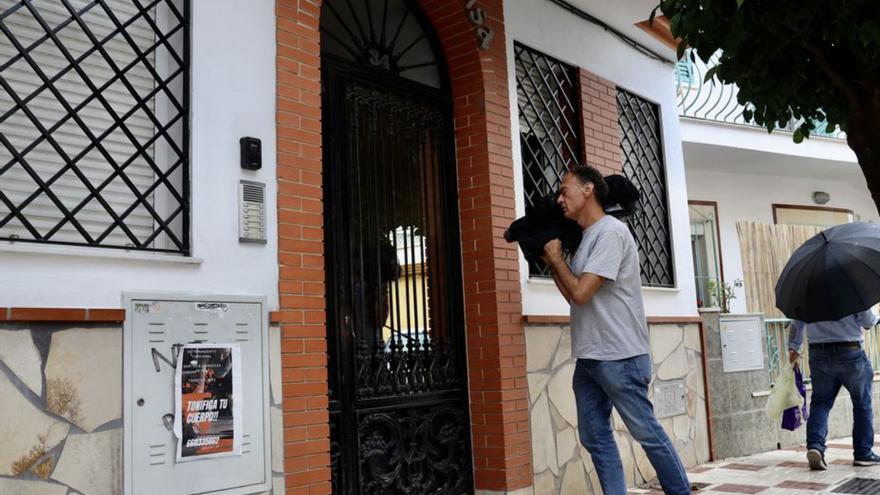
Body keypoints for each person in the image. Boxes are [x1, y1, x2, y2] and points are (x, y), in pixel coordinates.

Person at [542, 165, 690, 495]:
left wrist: (557, 260)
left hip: (619, 357)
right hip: (591, 357)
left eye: (565, 190)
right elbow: (575, 297)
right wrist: (555, 263)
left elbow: (581, 292)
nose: (559, 198)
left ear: (588, 190)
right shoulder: (587, 238)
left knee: (647, 434)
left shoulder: (611, 233)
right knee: (595, 437)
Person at [787, 308, 880, 470]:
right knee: (862, 404)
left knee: (820, 403)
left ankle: (816, 446)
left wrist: (793, 347)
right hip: (850, 352)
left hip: (819, 353)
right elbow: (868, 321)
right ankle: (863, 453)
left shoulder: (807, 292)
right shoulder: (851, 287)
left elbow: (796, 322)